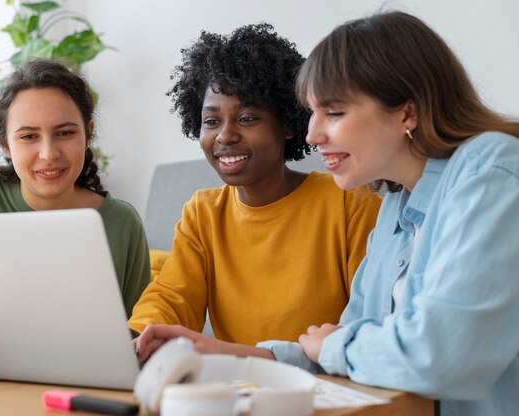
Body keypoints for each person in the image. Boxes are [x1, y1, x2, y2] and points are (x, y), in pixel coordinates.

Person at [138, 11, 519, 416]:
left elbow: (436, 357)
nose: (312, 134)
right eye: (312, 112)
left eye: (333, 113)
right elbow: (347, 345)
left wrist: (334, 345)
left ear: (407, 112)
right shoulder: (394, 205)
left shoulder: (491, 171)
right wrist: (230, 357)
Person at [130, 24, 381, 349]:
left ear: (289, 125)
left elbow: (369, 319)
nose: (225, 135)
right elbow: (171, 297)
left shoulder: (349, 201)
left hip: (322, 386)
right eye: (211, 121)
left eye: (248, 118)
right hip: (237, 389)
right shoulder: (203, 213)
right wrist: (136, 335)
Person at [0, 59, 150, 317]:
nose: (49, 154)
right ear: (5, 144)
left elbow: (139, 339)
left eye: (65, 133)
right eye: (29, 136)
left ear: (88, 134)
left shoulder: (122, 223)